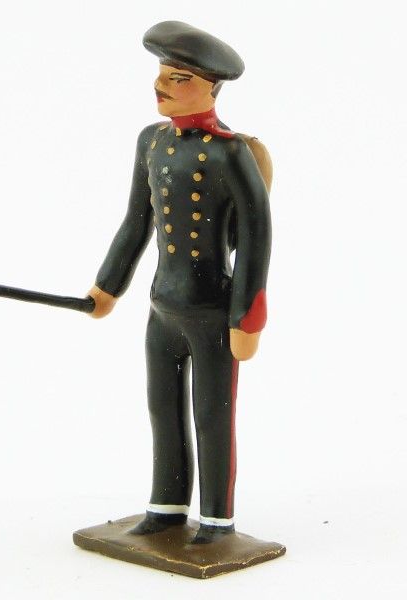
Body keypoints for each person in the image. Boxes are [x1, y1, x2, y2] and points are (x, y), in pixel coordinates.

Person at [86, 21, 272, 544]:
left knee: (212, 416)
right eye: (162, 73)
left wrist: (248, 318)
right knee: (162, 411)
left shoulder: (231, 152)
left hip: (212, 312)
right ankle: (166, 507)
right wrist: (106, 288)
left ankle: (216, 519)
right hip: (161, 307)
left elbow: (256, 238)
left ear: (211, 87)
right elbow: (135, 222)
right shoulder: (151, 142)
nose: (160, 85)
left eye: (178, 77)